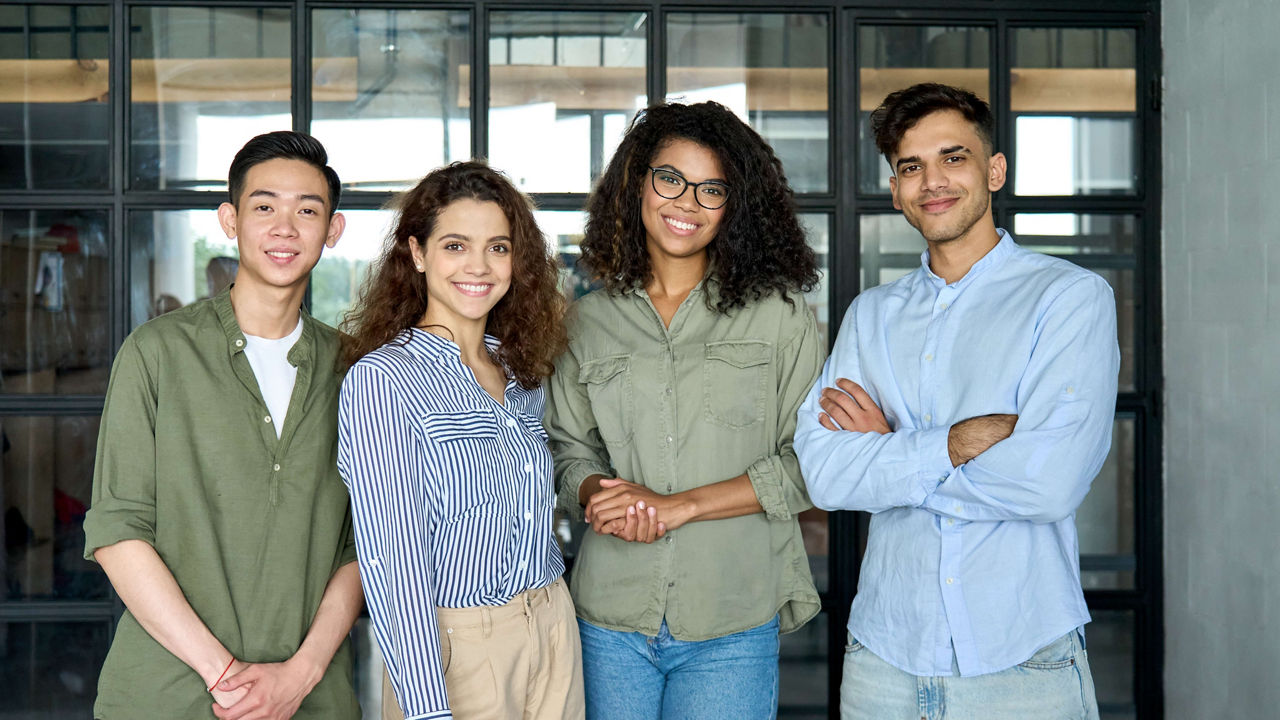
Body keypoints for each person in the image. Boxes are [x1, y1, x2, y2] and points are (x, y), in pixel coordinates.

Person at [794, 83, 1117, 719]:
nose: (931, 181)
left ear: (994, 170)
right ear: (895, 189)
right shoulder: (872, 316)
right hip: (884, 658)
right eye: (910, 166)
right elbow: (825, 475)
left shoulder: (1069, 299)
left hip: (1022, 659)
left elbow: (1047, 485)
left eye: (953, 157)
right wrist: (954, 443)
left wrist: (889, 457)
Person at [544, 101, 823, 719]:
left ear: (736, 205)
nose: (686, 202)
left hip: (731, 615)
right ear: (637, 185)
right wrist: (596, 491)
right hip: (609, 616)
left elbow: (812, 462)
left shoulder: (781, 318)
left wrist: (679, 507)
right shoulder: (588, 322)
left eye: (711, 189)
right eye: (670, 178)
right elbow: (567, 448)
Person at [83, 130, 362, 719]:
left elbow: (365, 546)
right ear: (230, 220)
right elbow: (117, 530)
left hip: (311, 698)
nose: (284, 228)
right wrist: (229, 678)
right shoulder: (156, 353)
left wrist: (297, 676)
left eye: (306, 211)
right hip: (167, 696)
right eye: (264, 207)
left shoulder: (358, 371)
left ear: (332, 231)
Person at [336, 161, 581, 720]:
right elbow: (392, 564)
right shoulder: (384, 379)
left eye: (498, 247)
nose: (479, 265)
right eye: (455, 245)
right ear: (417, 254)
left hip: (552, 621)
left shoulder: (518, 372)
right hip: (459, 648)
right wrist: (426, 708)